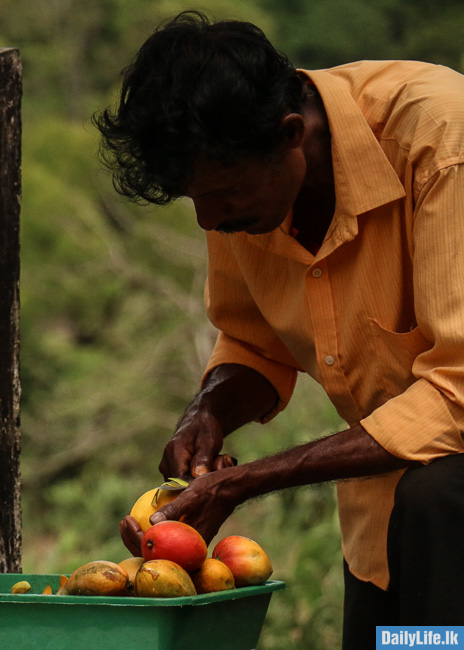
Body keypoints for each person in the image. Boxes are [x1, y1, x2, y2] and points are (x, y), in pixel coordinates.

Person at [94, 10, 464, 647]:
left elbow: (458, 398)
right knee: (402, 642)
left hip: (449, 515)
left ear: (292, 134)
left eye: (224, 195)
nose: (211, 220)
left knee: (437, 544)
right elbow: (253, 340)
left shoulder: (442, 143)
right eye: (195, 201)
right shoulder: (242, 191)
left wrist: (250, 478)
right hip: (383, 522)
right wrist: (207, 413)